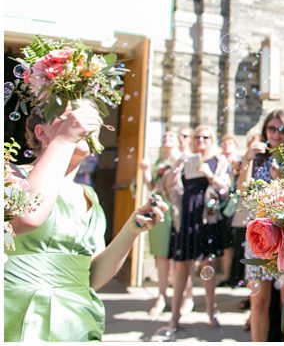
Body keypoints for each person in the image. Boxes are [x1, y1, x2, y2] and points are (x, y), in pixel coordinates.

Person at [5, 102, 167, 341]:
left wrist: (131, 230)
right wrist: (63, 140)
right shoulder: (11, 176)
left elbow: (93, 277)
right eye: (70, 114)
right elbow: (27, 214)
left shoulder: (89, 195)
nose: (83, 120)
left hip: (76, 322)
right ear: (41, 133)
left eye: (90, 114)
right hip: (20, 317)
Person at [239, 109, 284, 341]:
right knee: (258, 302)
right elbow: (243, 192)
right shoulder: (258, 157)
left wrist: (280, 180)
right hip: (258, 236)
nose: (276, 134)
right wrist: (247, 158)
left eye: (282, 129)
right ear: (265, 130)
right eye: (271, 128)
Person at [163, 125, 231, 333]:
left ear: (212, 140)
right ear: (192, 140)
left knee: (206, 267)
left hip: (206, 219)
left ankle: (211, 311)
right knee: (182, 267)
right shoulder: (185, 160)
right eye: (197, 137)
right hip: (186, 218)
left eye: (206, 137)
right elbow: (168, 188)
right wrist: (175, 167)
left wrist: (209, 174)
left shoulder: (219, 162)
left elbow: (225, 190)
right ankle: (174, 317)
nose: (201, 140)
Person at [138, 129, 184, 317]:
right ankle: (162, 296)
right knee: (160, 256)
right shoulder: (158, 161)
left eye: (171, 136)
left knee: (177, 257)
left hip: (175, 210)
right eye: (164, 136)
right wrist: (146, 171)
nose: (167, 139)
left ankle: (180, 296)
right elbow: (151, 187)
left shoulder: (181, 159)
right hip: (158, 209)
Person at [217, 134, 242, 287]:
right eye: (224, 143)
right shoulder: (219, 162)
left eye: (230, 143)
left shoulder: (240, 160)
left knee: (237, 243)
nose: (226, 146)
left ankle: (236, 276)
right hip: (223, 206)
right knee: (226, 242)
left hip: (237, 207)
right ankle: (227, 275)